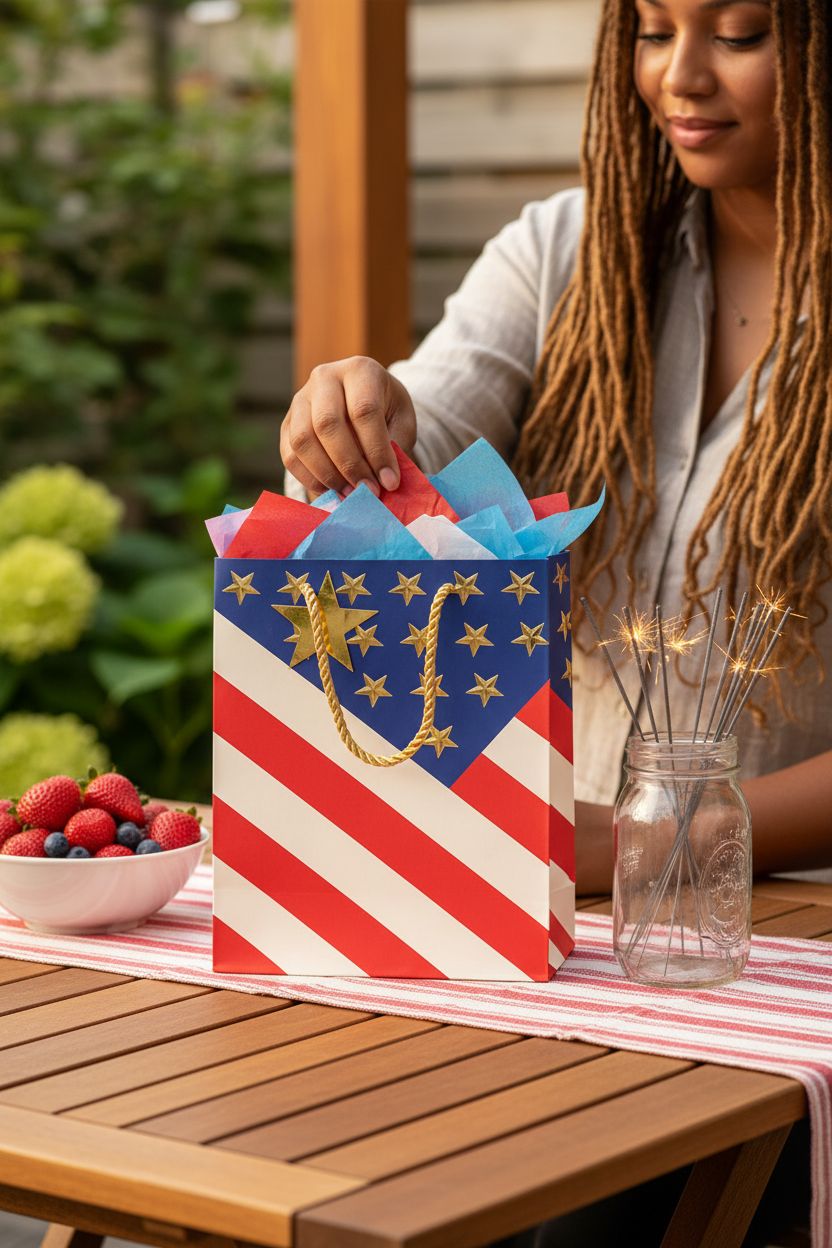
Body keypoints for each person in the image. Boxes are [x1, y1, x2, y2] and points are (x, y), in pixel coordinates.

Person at [281, 0, 832, 898]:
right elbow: (431, 416)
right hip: (544, 904)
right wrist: (358, 412)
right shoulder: (569, 252)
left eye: (738, 33)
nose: (680, 76)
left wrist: (648, 842)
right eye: (654, 31)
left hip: (787, 926)